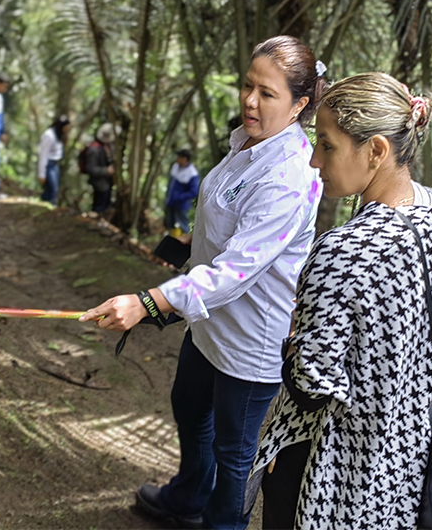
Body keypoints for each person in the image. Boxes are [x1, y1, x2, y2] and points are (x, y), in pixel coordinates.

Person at [79, 35, 325, 529]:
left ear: (300, 104)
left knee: (234, 453)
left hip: (249, 341)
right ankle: (188, 496)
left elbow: (236, 271)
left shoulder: (292, 175)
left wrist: (150, 303)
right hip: (208, 323)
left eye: (268, 93)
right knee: (189, 409)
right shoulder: (247, 143)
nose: (251, 101)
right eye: (248, 86)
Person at [251, 72, 432, 530]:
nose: (315, 160)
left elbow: (311, 382)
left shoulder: (344, 249)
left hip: (332, 477)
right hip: (409, 470)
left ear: (377, 149)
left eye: (326, 144)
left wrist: (294, 344)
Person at [164, 149, 200, 236]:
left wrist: (180, 197)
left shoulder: (192, 173)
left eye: (180, 157)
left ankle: (184, 245)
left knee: (183, 225)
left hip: (182, 205)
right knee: (169, 223)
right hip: (171, 202)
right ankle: (172, 242)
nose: (177, 159)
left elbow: (194, 191)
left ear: (185, 159)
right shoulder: (176, 167)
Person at [37, 115, 71, 205]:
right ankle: (46, 205)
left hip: (55, 164)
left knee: (54, 189)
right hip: (49, 164)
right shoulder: (49, 135)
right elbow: (43, 155)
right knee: (52, 188)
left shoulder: (59, 135)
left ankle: (47, 205)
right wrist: (42, 174)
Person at [85, 123, 116, 214]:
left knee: (106, 205)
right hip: (99, 183)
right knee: (99, 207)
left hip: (107, 182)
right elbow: (90, 168)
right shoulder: (94, 149)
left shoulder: (107, 147)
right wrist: (106, 171)